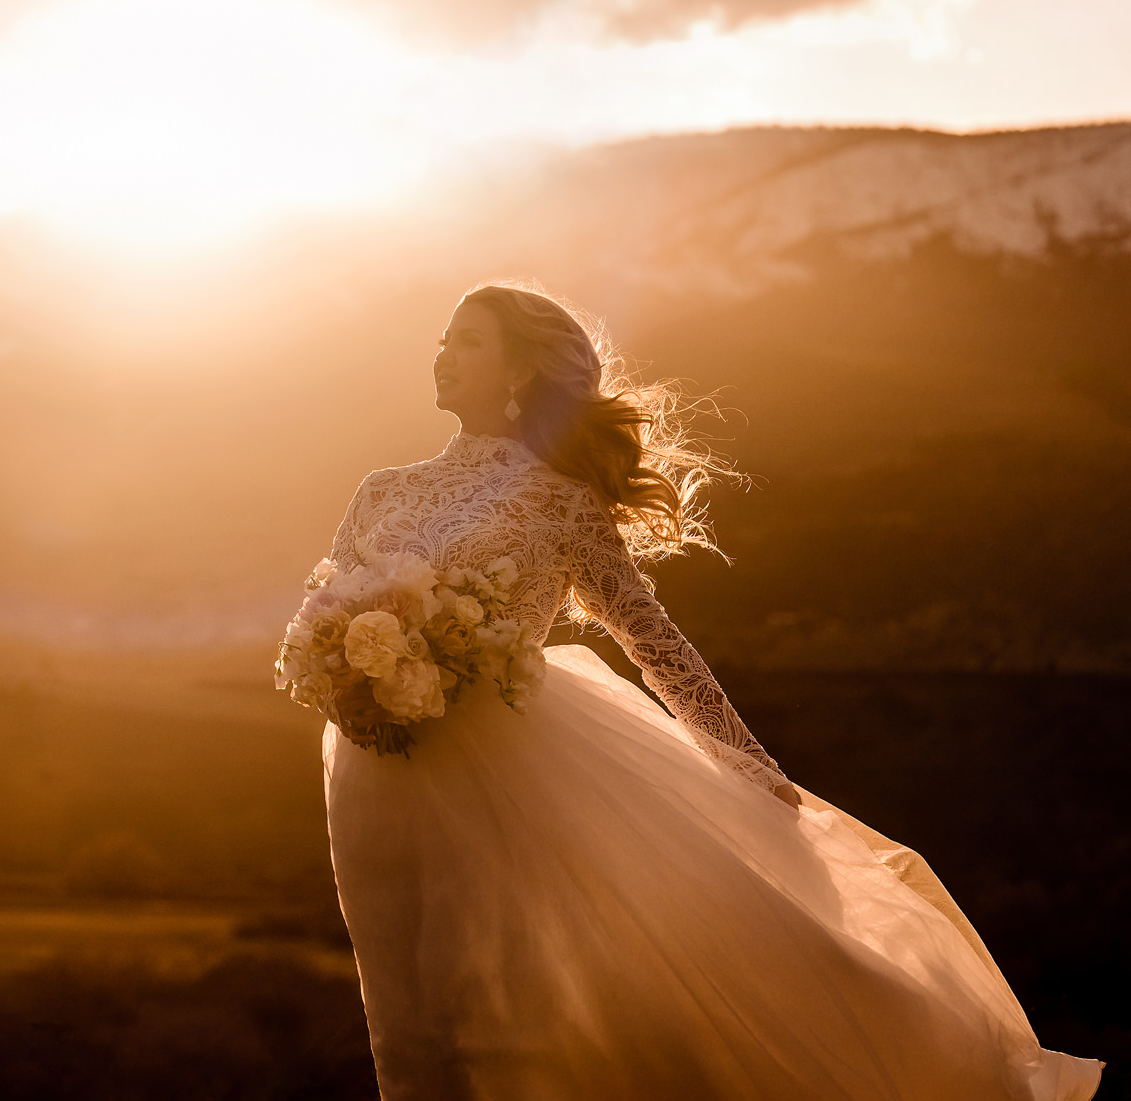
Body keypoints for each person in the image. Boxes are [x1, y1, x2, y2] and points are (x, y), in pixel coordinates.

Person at [298, 281, 1102, 1100]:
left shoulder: (560, 501)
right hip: (375, 769)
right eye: (442, 337)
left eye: (466, 339)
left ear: (520, 370)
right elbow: (325, 606)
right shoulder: (381, 488)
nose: (443, 353)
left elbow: (650, 637)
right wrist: (341, 673)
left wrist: (745, 759)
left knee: (491, 1006)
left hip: (503, 771)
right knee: (403, 1014)